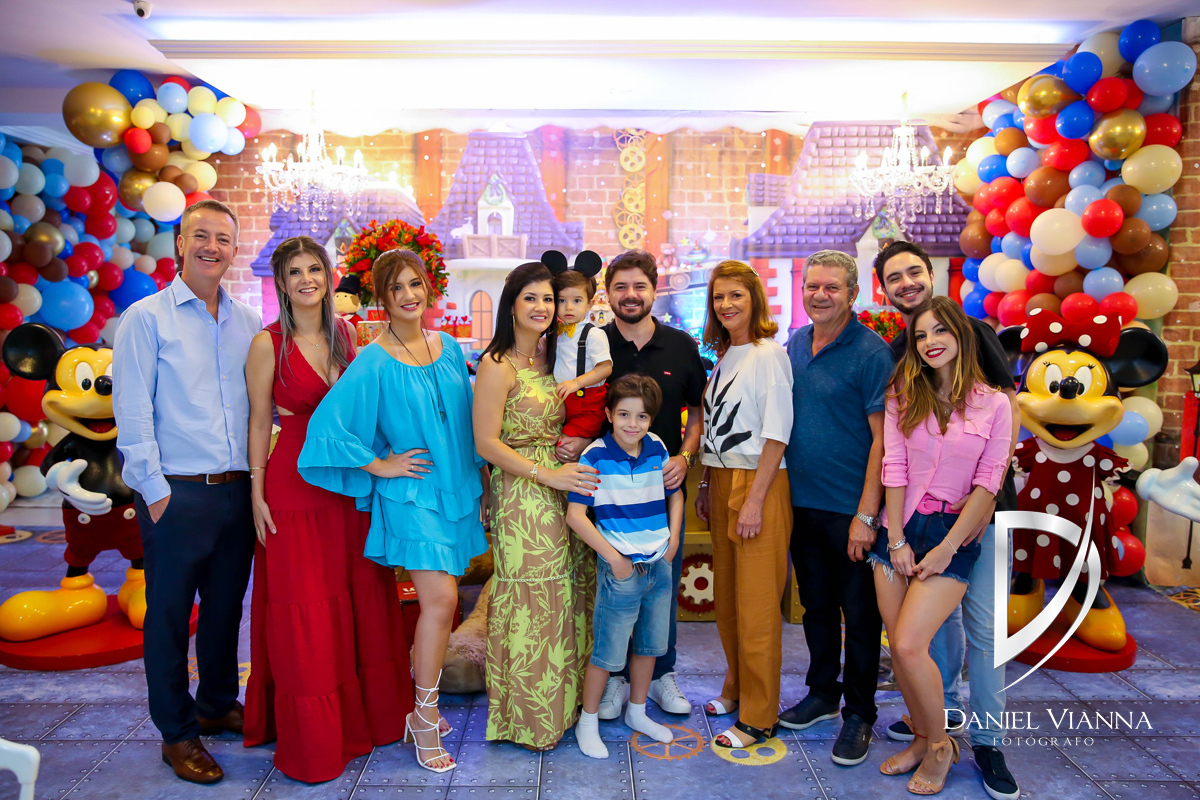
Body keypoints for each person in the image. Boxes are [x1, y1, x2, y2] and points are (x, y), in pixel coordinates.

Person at [297, 248, 487, 773]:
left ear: (428, 287)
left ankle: (419, 706)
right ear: (382, 298)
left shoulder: (449, 348)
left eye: (414, 284)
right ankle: (423, 715)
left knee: (444, 602)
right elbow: (327, 426)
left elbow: (466, 421)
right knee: (442, 601)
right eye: (395, 288)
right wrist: (380, 464)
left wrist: (484, 481)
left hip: (455, 490)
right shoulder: (373, 359)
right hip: (411, 496)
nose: (408, 295)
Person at [242, 237, 414, 782]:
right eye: (295, 271)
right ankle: (315, 740)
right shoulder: (267, 344)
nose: (306, 280)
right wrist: (256, 492)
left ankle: (374, 720)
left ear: (329, 275)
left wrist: (386, 462)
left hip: (349, 485)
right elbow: (258, 422)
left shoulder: (346, 334)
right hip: (293, 486)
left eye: (314, 268)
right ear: (281, 282)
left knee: (360, 595)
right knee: (307, 604)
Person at [113, 199, 260, 784]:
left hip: (236, 492)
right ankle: (176, 733)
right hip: (175, 493)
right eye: (201, 235)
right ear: (180, 243)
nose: (211, 247)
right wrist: (154, 491)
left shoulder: (248, 323)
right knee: (171, 618)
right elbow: (132, 411)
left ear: (234, 249)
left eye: (223, 238)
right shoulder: (145, 318)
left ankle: (217, 703)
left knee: (225, 610)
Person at [875, 240, 1021, 800]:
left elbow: (994, 459)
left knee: (983, 631)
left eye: (914, 271)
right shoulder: (901, 366)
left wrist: (960, 535)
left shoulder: (977, 338)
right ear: (884, 288)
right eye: (894, 277)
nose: (906, 283)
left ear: (930, 274)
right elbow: (893, 460)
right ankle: (935, 726)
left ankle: (987, 743)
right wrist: (892, 534)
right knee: (922, 639)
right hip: (908, 522)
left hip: (978, 518)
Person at [559, 248, 707, 719]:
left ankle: (662, 674)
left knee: (662, 587)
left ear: (654, 289)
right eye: (620, 286)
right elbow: (570, 401)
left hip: (661, 489)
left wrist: (685, 457)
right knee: (612, 589)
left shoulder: (681, 346)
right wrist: (571, 440)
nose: (630, 294)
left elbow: (698, 412)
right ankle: (615, 679)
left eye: (639, 286)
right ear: (606, 293)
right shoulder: (593, 343)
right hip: (607, 495)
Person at [473, 261, 601, 750]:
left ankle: (568, 706)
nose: (542, 307)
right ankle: (529, 720)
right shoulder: (496, 364)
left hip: (566, 485)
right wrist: (546, 474)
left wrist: (576, 446)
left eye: (548, 298)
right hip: (523, 490)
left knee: (570, 591)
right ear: (511, 304)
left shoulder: (553, 356)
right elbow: (486, 442)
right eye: (531, 297)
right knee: (535, 599)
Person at [779, 249, 892, 767]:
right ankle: (823, 693)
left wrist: (866, 516)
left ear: (853, 293)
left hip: (851, 512)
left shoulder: (871, 353)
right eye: (812, 286)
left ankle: (860, 713)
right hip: (802, 505)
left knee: (861, 618)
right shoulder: (796, 344)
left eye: (831, 287)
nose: (820, 295)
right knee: (817, 608)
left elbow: (883, 441)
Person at [691, 260, 793, 748]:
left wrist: (754, 501)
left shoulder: (768, 354)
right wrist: (706, 483)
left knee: (757, 607)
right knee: (729, 601)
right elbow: (717, 430)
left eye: (736, 295)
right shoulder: (726, 354)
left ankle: (759, 715)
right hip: (722, 478)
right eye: (718, 296)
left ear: (755, 298)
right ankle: (735, 687)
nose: (726, 304)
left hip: (759, 483)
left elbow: (777, 433)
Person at [566, 375, 684, 759]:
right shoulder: (594, 457)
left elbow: (675, 494)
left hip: (659, 565)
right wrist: (615, 559)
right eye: (624, 415)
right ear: (608, 414)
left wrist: (673, 542)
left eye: (642, 416)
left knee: (649, 646)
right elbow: (575, 516)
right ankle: (587, 723)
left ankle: (637, 712)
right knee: (608, 652)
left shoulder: (658, 447)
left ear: (651, 419)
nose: (633, 424)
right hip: (621, 572)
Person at [550, 251, 612, 439]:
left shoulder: (594, 334)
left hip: (587, 405)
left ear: (589, 304)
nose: (568, 307)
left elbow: (605, 368)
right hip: (563, 402)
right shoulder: (558, 333)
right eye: (562, 300)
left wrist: (576, 383)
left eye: (576, 300)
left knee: (565, 444)